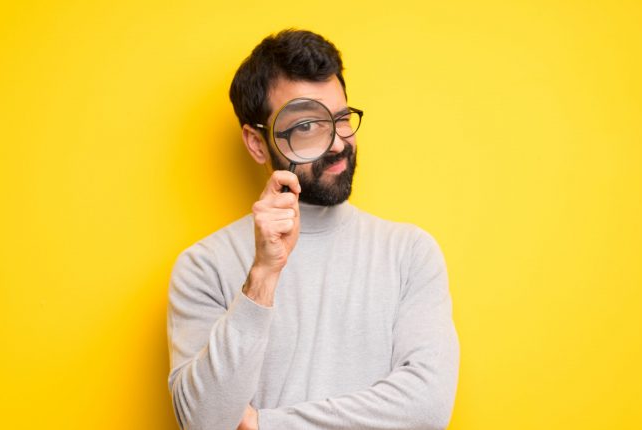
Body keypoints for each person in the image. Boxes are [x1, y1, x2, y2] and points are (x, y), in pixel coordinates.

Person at [168, 29, 459, 430]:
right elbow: (204, 421)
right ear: (256, 143)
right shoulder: (203, 267)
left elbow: (427, 408)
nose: (338, 143)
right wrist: (263, 277)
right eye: (308, 126)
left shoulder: (409, 253)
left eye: (341, 119)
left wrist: (269, 425)